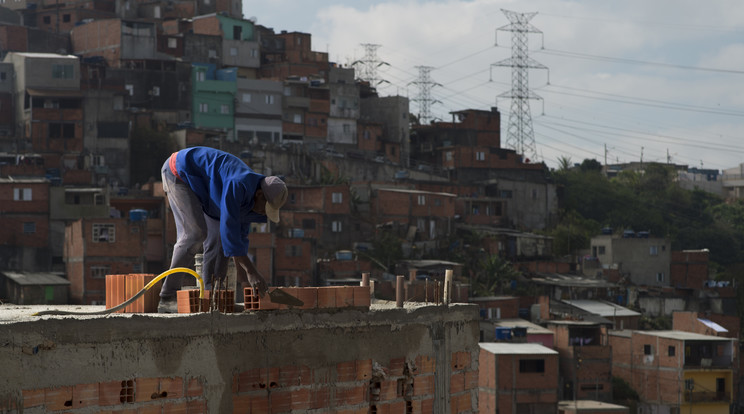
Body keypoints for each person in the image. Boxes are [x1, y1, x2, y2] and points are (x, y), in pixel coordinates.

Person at [158, 146, 287, 313]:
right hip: (179, 172)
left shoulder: (251, 204)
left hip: (209, 193)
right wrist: (252, 272)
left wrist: (244, 280)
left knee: (219, 244)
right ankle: (167, 297)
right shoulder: (238, 184)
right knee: (195, 234)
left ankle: (214, 300)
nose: (264, 213)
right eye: (266, 209)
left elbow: (236, 240)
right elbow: (230, 235)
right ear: (260, 195)